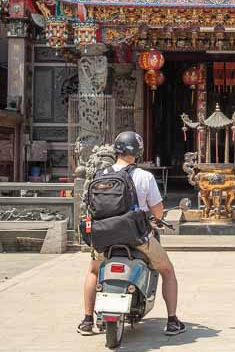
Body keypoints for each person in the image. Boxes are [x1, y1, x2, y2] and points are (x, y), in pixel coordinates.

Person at [78, 131, 186, 337]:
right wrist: (154, 219)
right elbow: (157, 211)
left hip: (104, 239)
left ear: (115, 150)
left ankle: (87, 320)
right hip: (136, 238)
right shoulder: (144, 176)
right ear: (138, 151)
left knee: (93, 271)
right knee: (167, 270)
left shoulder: (100, 175)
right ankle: (172, 321)